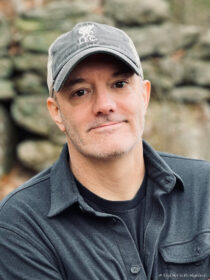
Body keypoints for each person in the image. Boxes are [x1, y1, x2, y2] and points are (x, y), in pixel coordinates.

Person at [0, 21, 209, 280]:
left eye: (119, 84)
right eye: (80, 92)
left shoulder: (206, 189)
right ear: (56, 112)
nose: (104, 105)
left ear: (144, 96)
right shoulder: (21, 224)